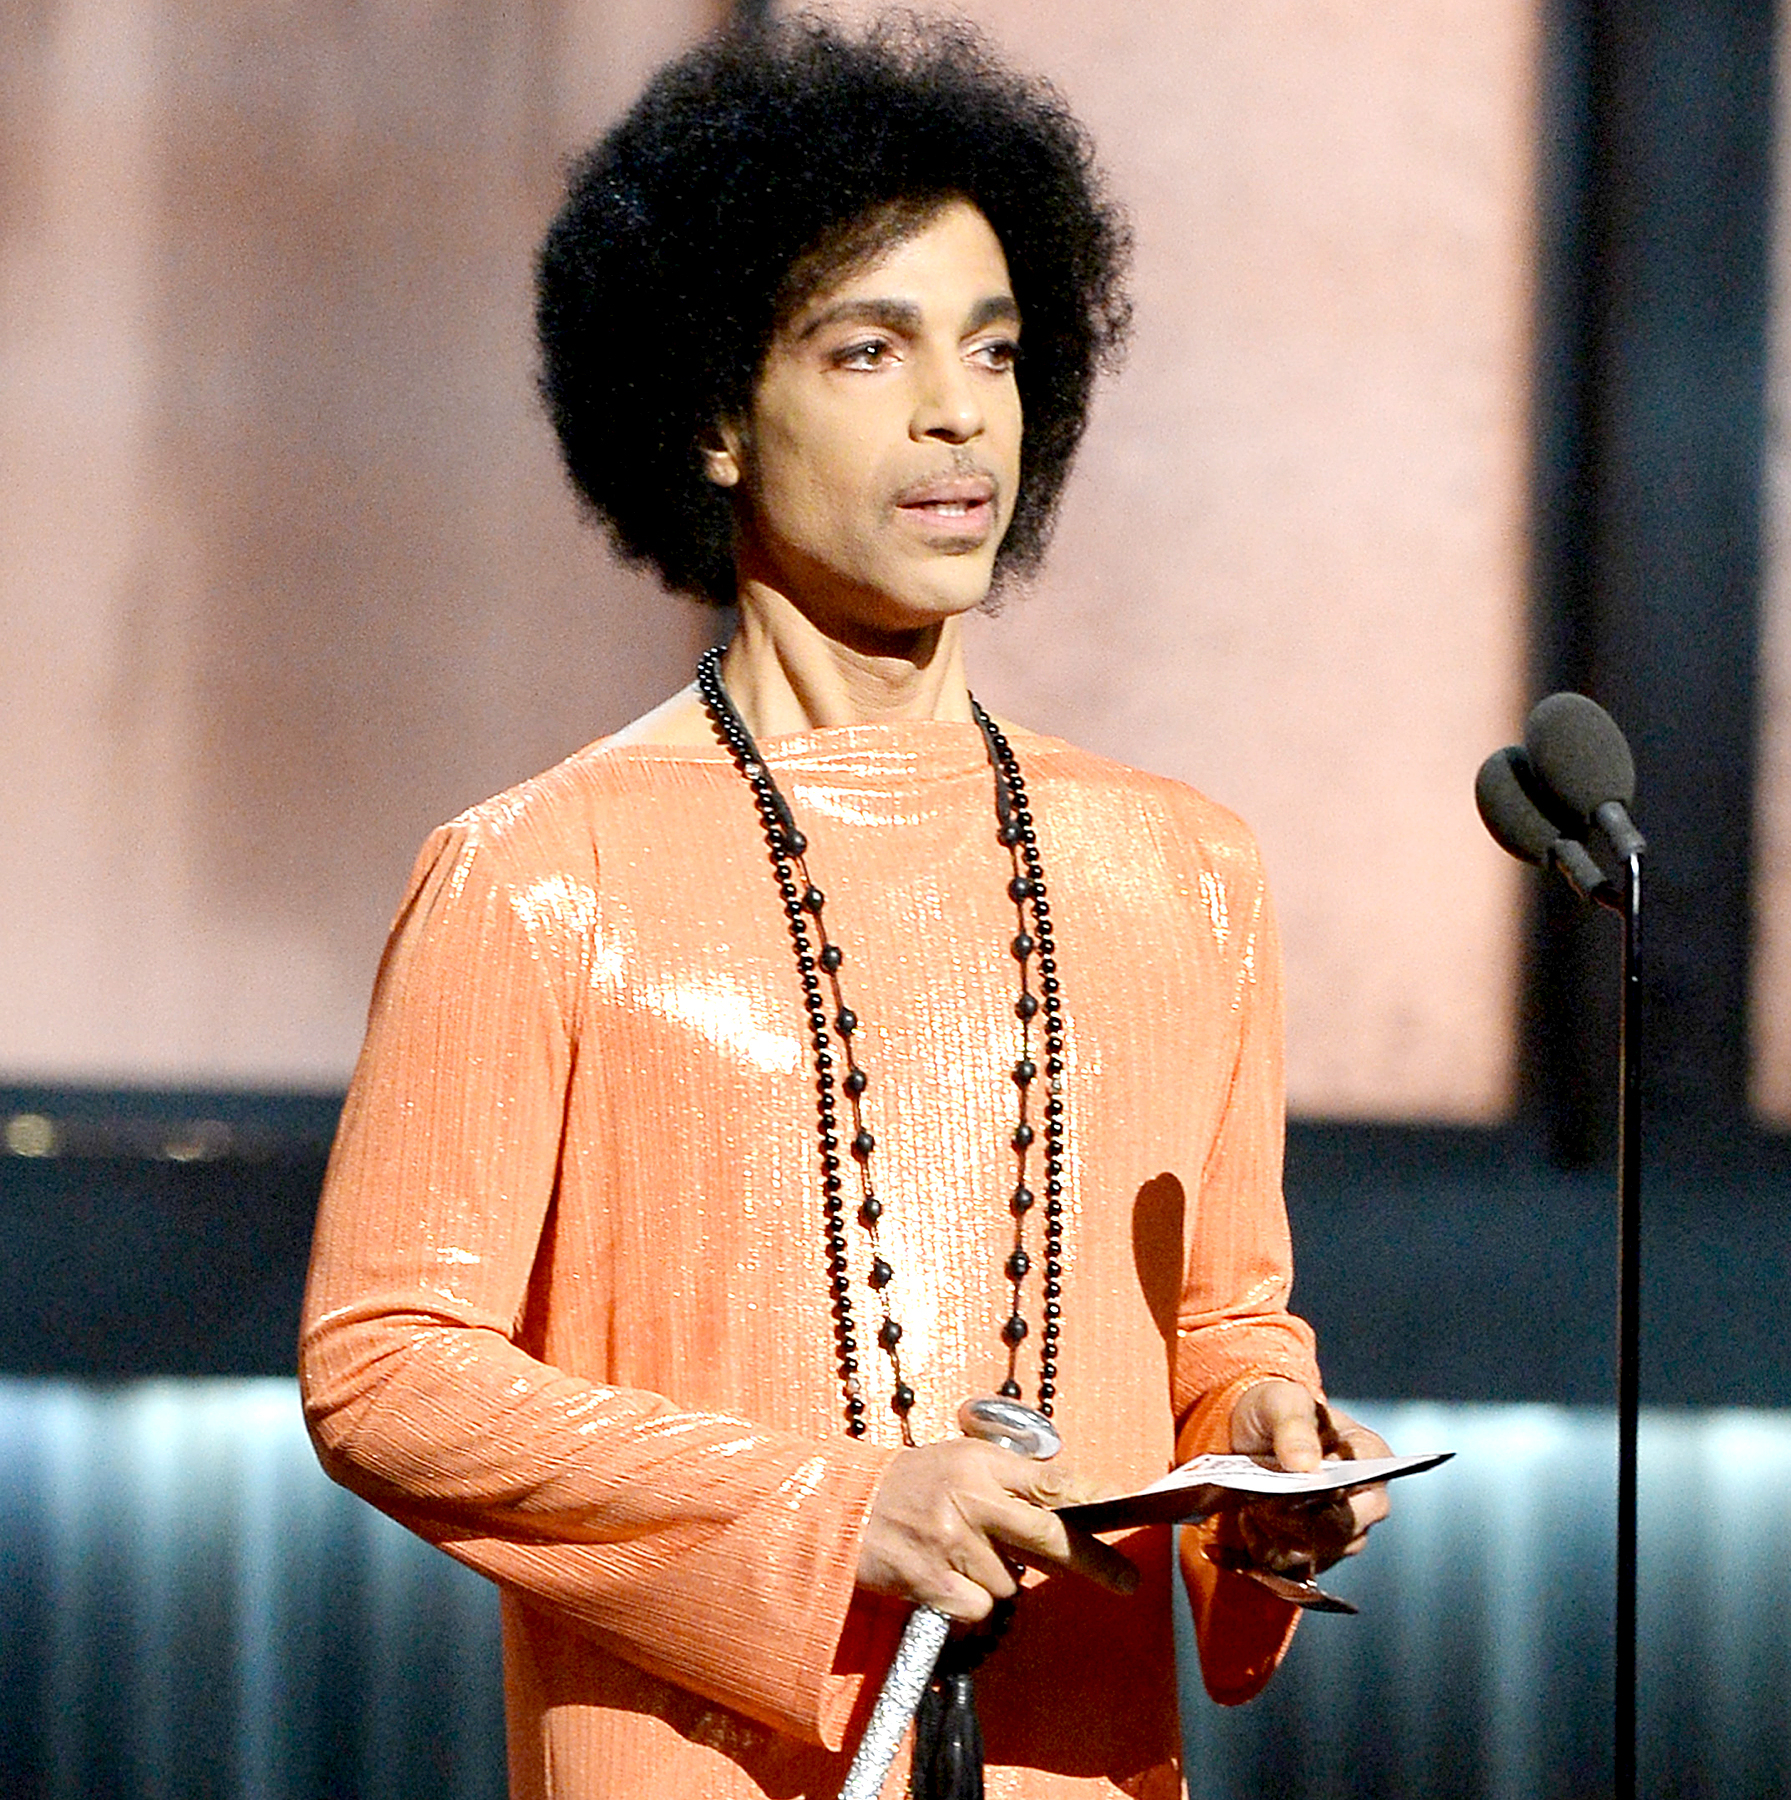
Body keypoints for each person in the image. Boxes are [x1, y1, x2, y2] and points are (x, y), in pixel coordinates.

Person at [298, 15, 1390, 1800]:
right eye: (868, 350)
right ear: (717, 414)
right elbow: (385, 1370)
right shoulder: (537, 875)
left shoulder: (1183, 869)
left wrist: (1262, 1459)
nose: (958, 411)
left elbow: (1224, 1324)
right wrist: (829, 1512)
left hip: (1078, 1751)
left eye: (994, 350)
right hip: (703, 1754)